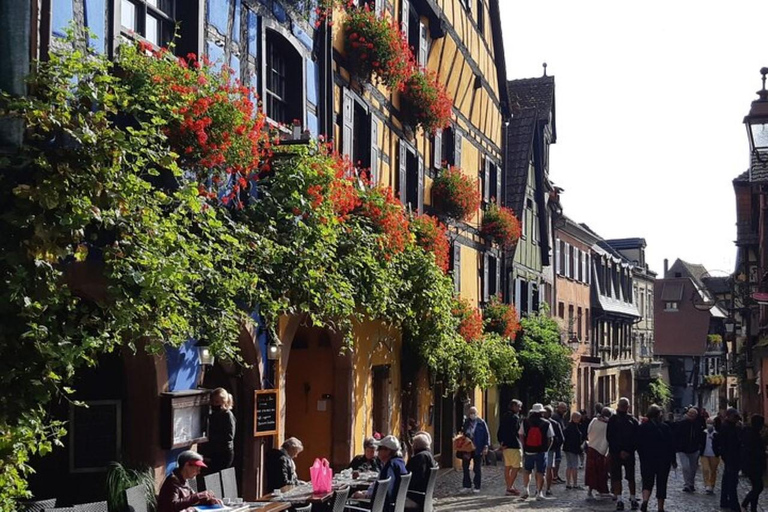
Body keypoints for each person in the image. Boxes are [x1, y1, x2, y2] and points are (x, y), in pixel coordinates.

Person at [353, 435, 408, 512]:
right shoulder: (400, 462)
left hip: (382, 506)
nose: (377, 451)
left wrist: (364, 495)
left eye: (379, 448)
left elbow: (386, 492)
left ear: (388, 451)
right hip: (393, 506)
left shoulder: (390, 466)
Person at [637, 405, 676, 512]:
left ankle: (645, 500)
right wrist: (673, 460)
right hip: (663, 460)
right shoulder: (665, 428)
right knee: (661, 483)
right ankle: (660, 507)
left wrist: (642, 456)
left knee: (647, 481)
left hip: (647, 459)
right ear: (659, 414)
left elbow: (638, 444)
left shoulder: (642, 428)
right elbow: (671, 445)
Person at [607, 397, 639, 511]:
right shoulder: (633, 421)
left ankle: (620, 500)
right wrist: (628, 450)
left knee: (617, 477)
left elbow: (610, 438)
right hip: (628, 454)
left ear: (618, 406)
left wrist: (618, 451)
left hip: (616, 453)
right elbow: (636, 439)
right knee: (630, 477)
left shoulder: (612, 420)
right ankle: (633, 499)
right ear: (628, 407)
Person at [519, 403, 554, 500]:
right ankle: (539, 493)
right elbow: (551, 438)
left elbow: (521, 434)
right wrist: (546, 449)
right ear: (542, 412)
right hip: (541, 451)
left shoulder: (525, 421)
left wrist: (524, 445)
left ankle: (526, 489)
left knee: (527, 470)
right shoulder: (547, 423)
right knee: (540, 472)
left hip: (528, 450)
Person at [202, 387, 236, 473]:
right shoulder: (213, 414)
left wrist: (212, 438)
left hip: (222, 453)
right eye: (213, 402)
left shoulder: (227, 415)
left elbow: (229, 436)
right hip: (213, 450)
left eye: (217, 402)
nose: (214, 404)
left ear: (224, 402)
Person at [674, 407, 705, 493]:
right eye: (690, 413)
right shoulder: (681, 423)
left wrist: (700, 446)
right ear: (687, 414)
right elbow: (676, 435)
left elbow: (701, 436)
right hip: (682, 449)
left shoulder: (698, 424)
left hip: (694, 449)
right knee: (685, 467)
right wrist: (677, 446)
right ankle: (687, 484)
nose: (691, 415)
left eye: (693, 414)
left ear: (696, 416)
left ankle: (691, 483)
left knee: (693, 468)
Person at [717, 408, 743, 512]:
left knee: (727, 480)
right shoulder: (727, 427)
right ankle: (734, 505)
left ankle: (724, 500)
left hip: (731, 457)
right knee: (732, 481)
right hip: (731, 457)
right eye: (735, 416)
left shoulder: (731, 426)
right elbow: (726, 443)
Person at [497, 399, 523, 496]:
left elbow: (500, 431)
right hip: (514, 445)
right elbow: (516, 432)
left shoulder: (504, 416)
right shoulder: (515, 418)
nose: (520, 409)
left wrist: (502, 443)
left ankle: (510, 486)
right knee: (516, 467)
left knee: (507, 467)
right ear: (514, 407)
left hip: (506, 446)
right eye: (518, 407)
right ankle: (509, 487)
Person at [460, 406, 489, 493]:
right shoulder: (466, 422)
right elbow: (462, 433)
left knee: (477, 468)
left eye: (473, 413)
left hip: (478, 448)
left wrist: (486, 446)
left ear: (477, 414)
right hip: (467, 448)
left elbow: (486, 435)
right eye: (470, 413)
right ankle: (466, 485)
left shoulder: (481, 422)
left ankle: (477, 486)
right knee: (465, 467)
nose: (471, 415)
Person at [741, 415, 767, 512]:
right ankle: (745, 503)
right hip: (754, 465)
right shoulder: (752, 435)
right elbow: (754, 452)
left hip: (755, 465)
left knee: (756, 487)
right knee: (758, 487)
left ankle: (753, 508)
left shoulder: (753, 433)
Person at [405, 433, 437, 511]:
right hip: (425, 496)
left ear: (415, 446)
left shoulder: (419, 458)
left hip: (417, 498)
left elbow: (414, 479)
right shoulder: (429, 456)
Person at [586, 407, 612, 499]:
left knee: (591, 471)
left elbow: (588, 431)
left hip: (591, 446)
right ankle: (603, 491)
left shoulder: (594, 420)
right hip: (601, 450)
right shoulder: (608, 425)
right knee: (601, 472)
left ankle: (590, 491)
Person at [542, 405, 564, 496]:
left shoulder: (539, 422)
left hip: (540, 449)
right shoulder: (554, 423)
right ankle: (547, 489)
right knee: (549, 468)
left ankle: (539, 488)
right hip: (550, 449)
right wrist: (556, 446)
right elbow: (561, 438)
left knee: (541, 470)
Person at [562, 410, 584, 490]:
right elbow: (576, 440)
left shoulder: (568, 426)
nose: (580, 420)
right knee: (574, 466)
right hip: (573, 449)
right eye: (579, 418)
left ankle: (568, 483)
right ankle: (574, 483)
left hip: (567, 448)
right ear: (575, 418)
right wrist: (580, 450)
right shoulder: (574, 427)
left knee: (569, 466)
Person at [699, 417, 720, 495]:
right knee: (705, 469)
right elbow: (700, 442)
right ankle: (707, 485)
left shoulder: (716, 434)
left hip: (714, 454)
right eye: (708, 423)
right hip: (704, 454)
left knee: (713, 470)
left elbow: (719, 443)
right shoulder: (703, 433)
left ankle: (712, 484)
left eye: (711, 423)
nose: (709, 425)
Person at [552, 402, 568, 483]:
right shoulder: (556, 417)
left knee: (557, 460)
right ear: (558, 408)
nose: (564, 410)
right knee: (556, 460)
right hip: (556, 442)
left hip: (558, 442)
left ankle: (555, 475)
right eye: (563, 408)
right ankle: (554, 476)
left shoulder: (560, 417)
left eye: (565, 408)